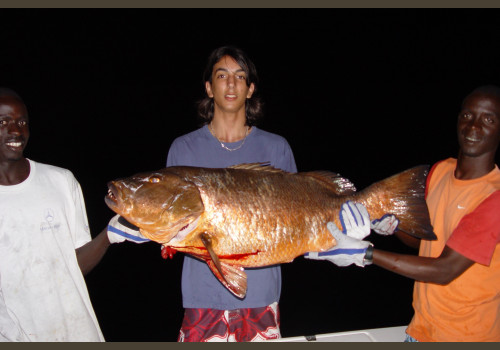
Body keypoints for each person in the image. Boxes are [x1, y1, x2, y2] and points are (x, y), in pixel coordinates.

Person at [306, 85, 500, 342]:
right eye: (467, 115)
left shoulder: (494, 197)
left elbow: (445, 269)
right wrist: (395, 227)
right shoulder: (441, 171)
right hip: (420, 330)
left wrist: (365, 253)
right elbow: (425, 242)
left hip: (467, 337)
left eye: (488, 119)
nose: (473, 127)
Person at [160, 46, 297, 342]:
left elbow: (295, 220)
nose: (231, 84)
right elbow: (172, 221)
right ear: (209, 88)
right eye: (222, 75)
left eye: (240, 76)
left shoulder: (277, 148)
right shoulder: (183, 149)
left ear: (250, 90)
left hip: (261, 297)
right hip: (202, 299)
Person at [0, 87, 143, 342]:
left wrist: (109, 235)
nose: (15, 130)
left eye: (22, 122)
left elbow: (73, 265)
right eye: (4, 121)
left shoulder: (61, 181)